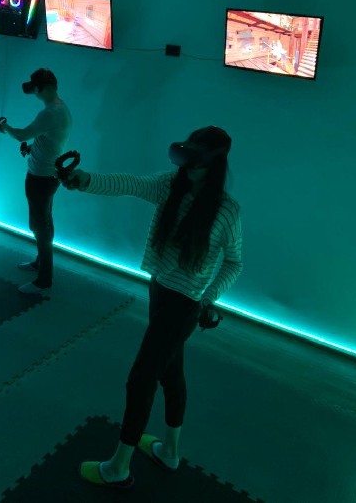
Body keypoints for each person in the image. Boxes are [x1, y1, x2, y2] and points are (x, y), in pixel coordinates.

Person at [60, 125, 243, 490]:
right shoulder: (170, 185)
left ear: (216, 164)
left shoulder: (226, 211)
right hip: (159, 289)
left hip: (185, 304)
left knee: (141, 379)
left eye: (198, 161)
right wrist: (85, 179)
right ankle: (169, 451)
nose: (189, 167)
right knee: (170, 374)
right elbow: (129, 183)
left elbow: (234, 262)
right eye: (187, 158)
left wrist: (209, 298)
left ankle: (118, 469)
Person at [0, 68, 72, 295]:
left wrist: (5, 127)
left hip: (41, 177)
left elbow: (21, 134)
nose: (35, 93)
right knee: (44, 223)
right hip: (47, 175)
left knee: (40, 227)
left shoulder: (50, 113)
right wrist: (32, 148)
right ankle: (40, 264)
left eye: (36, 88)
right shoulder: (59, 109)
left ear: (45, 88)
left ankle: (44, 280)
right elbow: (48, 139)